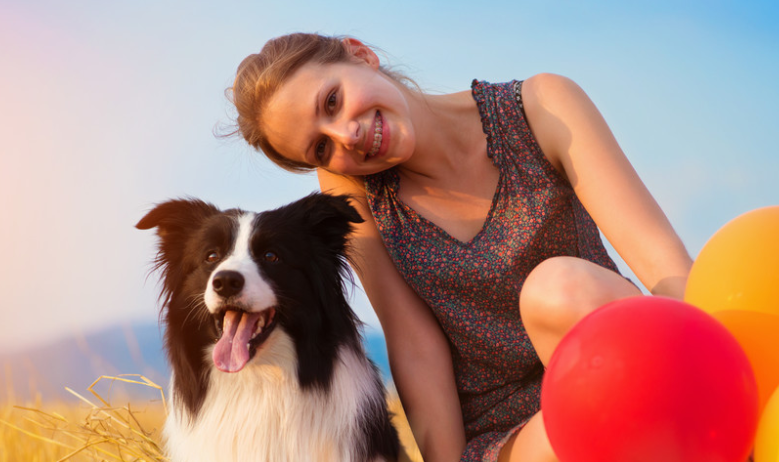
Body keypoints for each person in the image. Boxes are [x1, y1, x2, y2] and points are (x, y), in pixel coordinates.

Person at [228, 33, 693, 462]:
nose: (345, 137)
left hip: (617, 354)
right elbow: (415, 346)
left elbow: (661, 262)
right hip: (515, 432)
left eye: (332, 100)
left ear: (361, 53)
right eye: (321, 149)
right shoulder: (356, 192)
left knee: (559, 287)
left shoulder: (540, 106)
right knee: (582, 428)